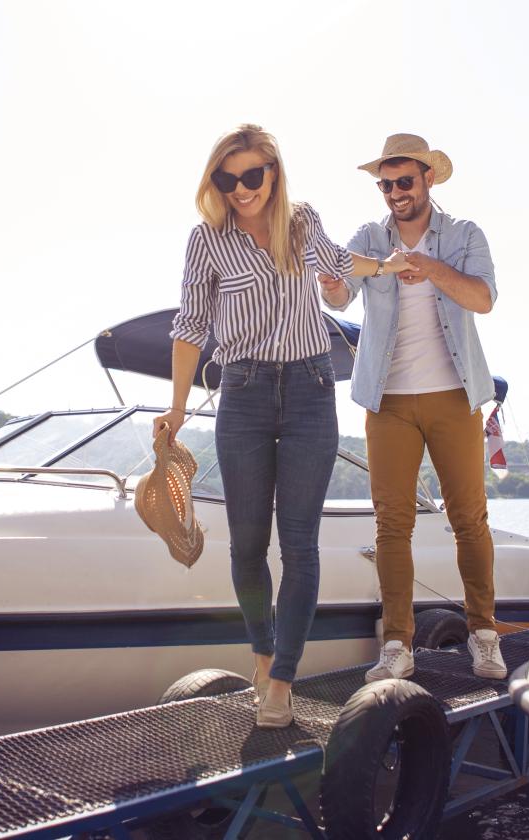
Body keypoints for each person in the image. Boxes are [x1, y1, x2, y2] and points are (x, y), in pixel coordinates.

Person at [157, 123, 408, 728]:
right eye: (228, 178)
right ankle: (264, 658)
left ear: (273, 171)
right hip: (241, 392)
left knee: (298, 545)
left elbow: (341, 266)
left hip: (309, 390)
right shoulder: (206, 240)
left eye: (251, 176)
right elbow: (191, 325)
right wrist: (178, 405)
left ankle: (283, 681)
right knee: (246, 545)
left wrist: (386, 266)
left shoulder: (301, 222)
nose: (241, 189)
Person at [318, 133, 507, 681]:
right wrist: (333, 285)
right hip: (388, 401)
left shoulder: (465, 235)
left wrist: (428, 268)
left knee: (469, 519)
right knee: (391, 524)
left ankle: (485, 635)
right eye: (386, 184)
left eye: (405, 181)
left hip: (454, 396)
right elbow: (339, 294)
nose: (395, 192)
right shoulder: (368, 238)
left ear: (428, 179)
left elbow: (484, 298)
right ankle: (396, 646)